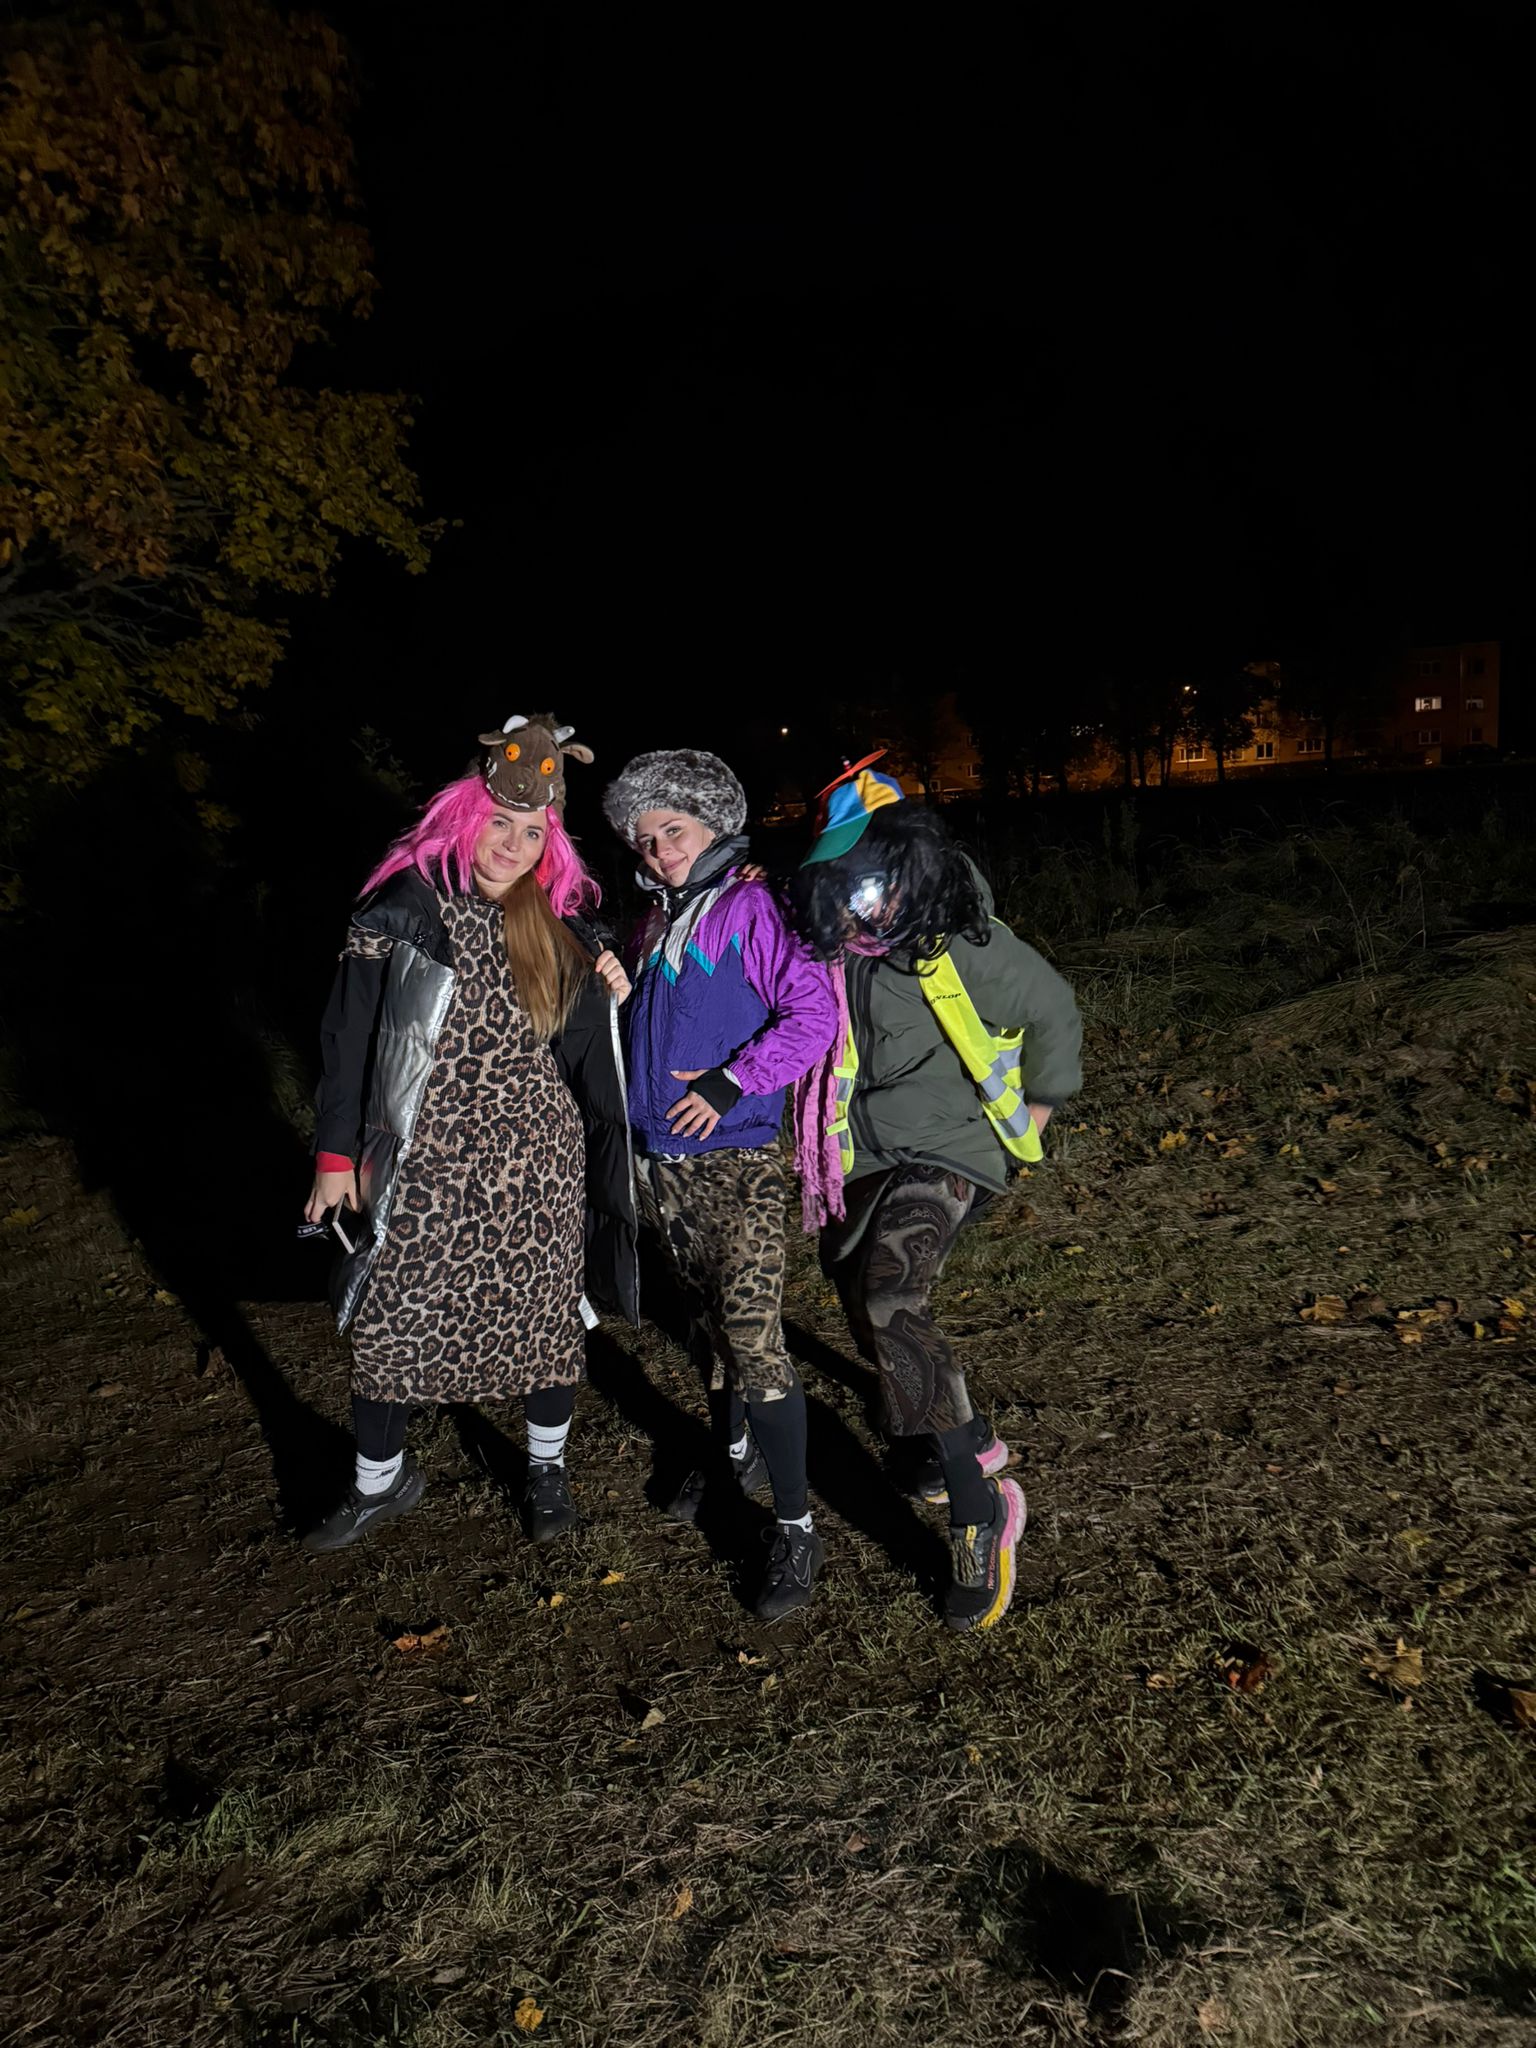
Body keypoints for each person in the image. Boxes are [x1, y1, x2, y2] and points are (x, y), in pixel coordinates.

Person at [302, 713, 637, 1553]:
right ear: (464, 815)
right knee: (392, 1311)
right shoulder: (403, 910)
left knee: (542, 1317)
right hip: (426, 1157)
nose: (512, 846)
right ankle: (378, 1481)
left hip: (538, 1157)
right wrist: (335, 1154)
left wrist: (610, 979)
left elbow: (588, 1051)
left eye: (532, 833)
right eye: (500, 823)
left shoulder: (557, 923)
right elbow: (348, 1037)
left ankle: (546, 1470)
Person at [788, 755, 1083, 1631]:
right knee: (854, 1285)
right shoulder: (837, 950)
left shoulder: (960, 939)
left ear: (910, 864)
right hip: (868, 1152)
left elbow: (1054, 1009)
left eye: (873, 876)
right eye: (843, 880)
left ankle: (979, 1511)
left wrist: (1037, 1108)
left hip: (954, 1147)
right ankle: (938, 1433)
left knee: (892, 1294)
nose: (862, 900)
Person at [602, 749, 839, 1620]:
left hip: (737, 1161)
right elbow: (650, 1033)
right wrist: (617, 992)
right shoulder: (652, 923)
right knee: (708, 1330)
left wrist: (733, 1081)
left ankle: (796, 1529)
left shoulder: (749, 907)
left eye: (674, 829)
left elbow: (813, 1014)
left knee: (752, 1337)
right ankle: (730, 1452)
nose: (660, 848)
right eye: (645, 837)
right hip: (660, 1162)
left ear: (712, 825)